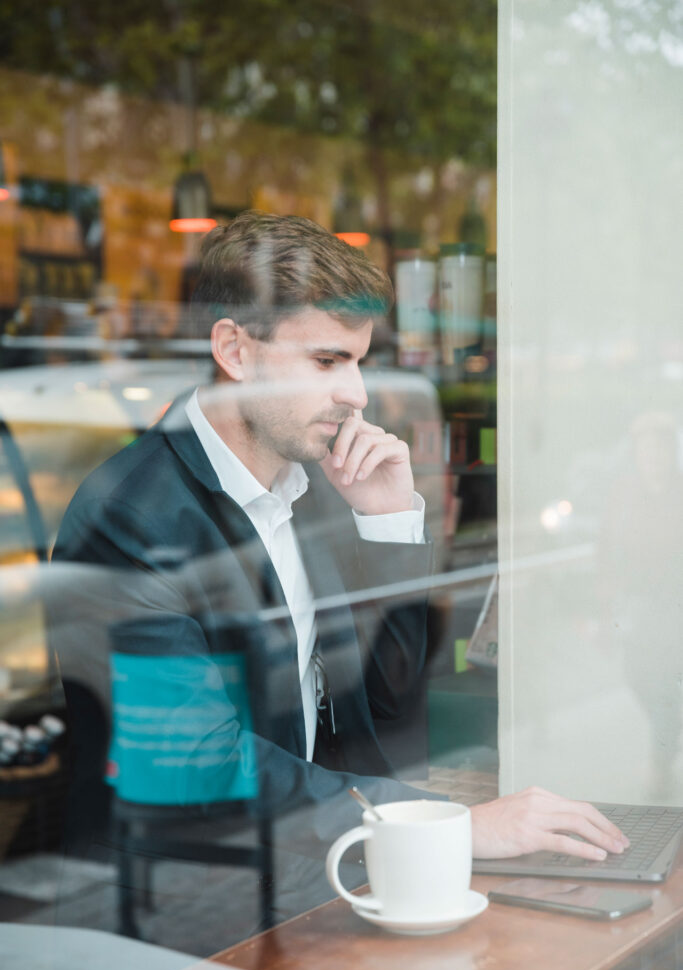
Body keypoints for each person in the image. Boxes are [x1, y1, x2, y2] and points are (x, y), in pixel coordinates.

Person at [51, 211, 627, 931]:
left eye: (357, 361)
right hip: (180, 915)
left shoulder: (315, 484)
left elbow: (381, 709)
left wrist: (386, 524)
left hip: (307, 878)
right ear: (234, 348)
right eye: (327, 362)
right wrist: (443, 826)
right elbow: (191, 764)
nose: (355, 392)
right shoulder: (131, 515)